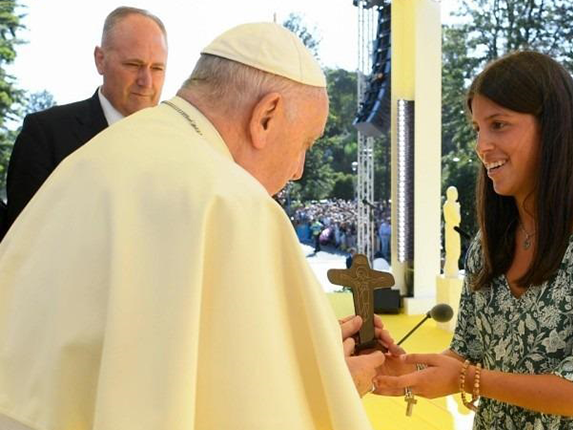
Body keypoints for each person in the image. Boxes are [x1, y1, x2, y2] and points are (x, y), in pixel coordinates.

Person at [0, 23, 398, 430]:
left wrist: (303, 347)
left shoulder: (92, 158)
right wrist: (331, 386)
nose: (298, 171)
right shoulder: (232, 202)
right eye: (304, 145)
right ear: (266, 115)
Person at [375, 52, 573, 428]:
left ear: (553, 128)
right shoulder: (489, 242)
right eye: (478, 128)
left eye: (498, 124)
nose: (482, 144)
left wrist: (467, 380)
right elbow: (468, 354)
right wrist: (405, 366)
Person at [2, 7, 168, 239]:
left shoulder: (179, 145)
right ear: (100, 60)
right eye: (133, 65)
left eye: (157, 68)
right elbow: (22, 244)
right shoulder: (46, 134)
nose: (146, 81)